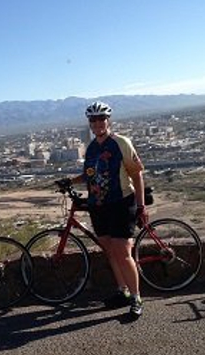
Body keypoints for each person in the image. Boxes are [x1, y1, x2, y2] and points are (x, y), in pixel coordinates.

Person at [57, 101, 148, 318]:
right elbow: (89, 174)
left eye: (101, 118)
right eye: (93, 120)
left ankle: (136, 298)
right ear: (89, 123)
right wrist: (70, 180)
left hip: (121, 203)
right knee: (109, 251)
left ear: (109, 120)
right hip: (98, 206)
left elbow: (137, 174)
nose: (97, 123)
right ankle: (122, 291)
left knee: (122, 251)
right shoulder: (91, 148)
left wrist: (141, 206)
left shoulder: (121, 143)